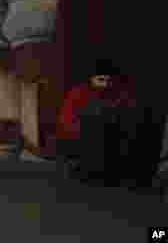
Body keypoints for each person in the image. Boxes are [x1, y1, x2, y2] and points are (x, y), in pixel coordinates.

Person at [56, 58, 160, 188]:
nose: (105, 84)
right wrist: (86, 131)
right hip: (85, 138)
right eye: (100, 80)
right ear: (91, 79)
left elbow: (132, 112)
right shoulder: (78, 93)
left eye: (108, 80)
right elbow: (66, 121)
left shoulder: (120, 92)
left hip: (113, 139)